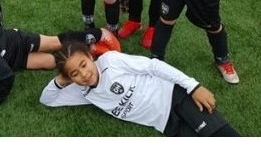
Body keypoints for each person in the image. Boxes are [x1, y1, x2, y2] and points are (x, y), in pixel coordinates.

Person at [40, 41, 241, 136]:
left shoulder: (111, 61)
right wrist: (62, 79)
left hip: (174, 97)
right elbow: (46, 99)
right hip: (165, 124)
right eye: (75, 74)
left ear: (90, 57)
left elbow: (153, 66)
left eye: (83, 65)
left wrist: (193, 86)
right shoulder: (80, 91)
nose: (84, 74)